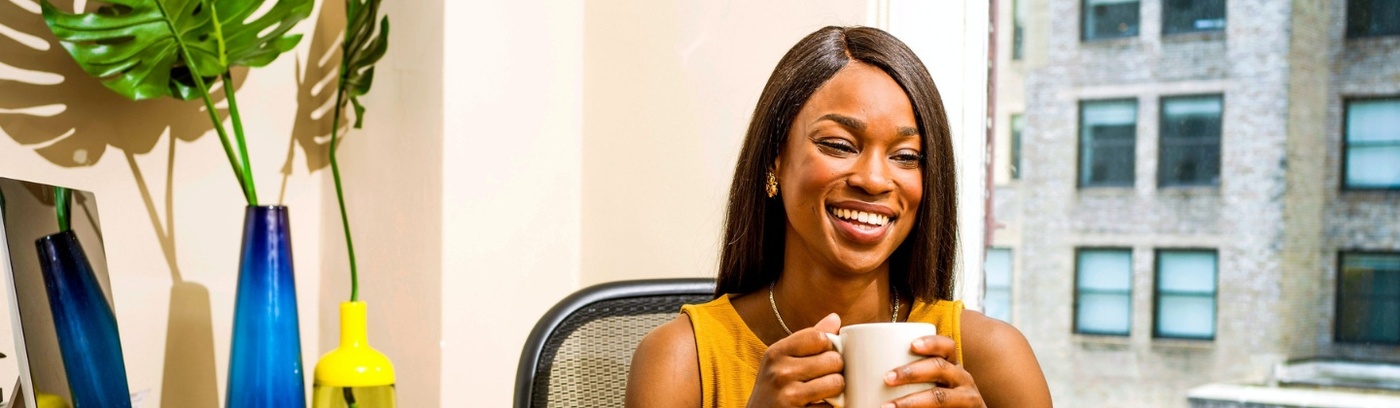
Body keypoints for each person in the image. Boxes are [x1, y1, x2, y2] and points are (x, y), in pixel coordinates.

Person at [624, 26, 1051, 408]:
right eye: (840, 145)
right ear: (775, 161)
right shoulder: (682, 360)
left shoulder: (990, 356)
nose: (873, 179)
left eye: (906, 156)